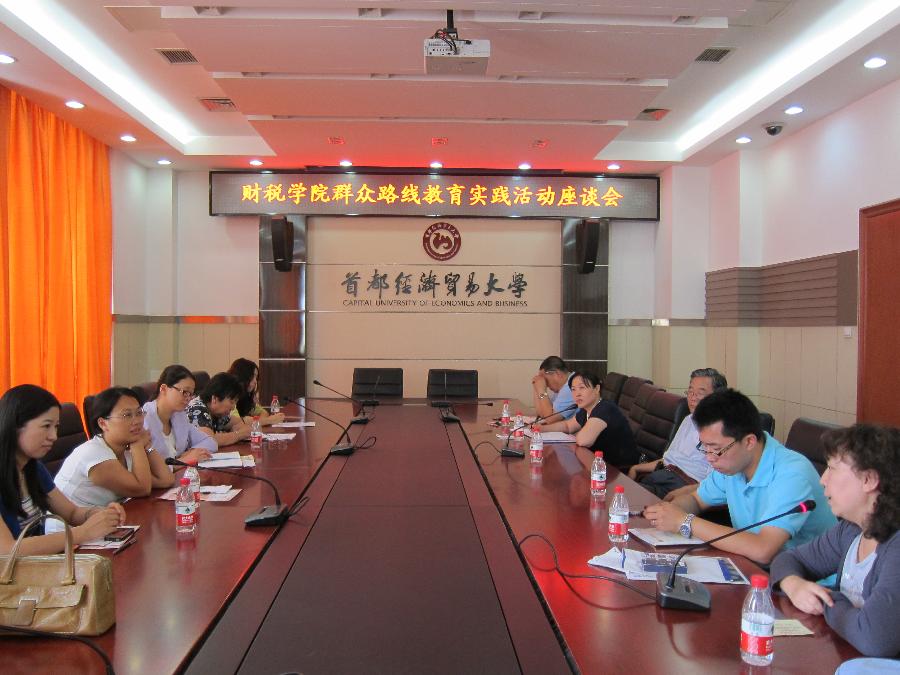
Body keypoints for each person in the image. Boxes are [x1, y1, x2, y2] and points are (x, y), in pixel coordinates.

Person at [643, 389, 836, 565]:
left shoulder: (792, 474)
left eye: (716, 449)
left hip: (807, 582)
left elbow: (764, 549)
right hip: (752, 566)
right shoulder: (733, 464)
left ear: (749, 441)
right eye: (705, 447)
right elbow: (696, 499)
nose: (709, 458)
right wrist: (672, 512)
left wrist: (684, 521)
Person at [771, 424, 900, 658]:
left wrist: (826, 599)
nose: (823, 480)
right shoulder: (851, 530)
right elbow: (788, 559)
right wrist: (793, 584)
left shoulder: (896, 547)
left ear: (869, 479)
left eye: (831, 468)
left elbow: (874, 639)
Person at [0, 384, 124, 555]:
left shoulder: (32, 468)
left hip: (36, 565)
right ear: (15, 425)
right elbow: (6, 550)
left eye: (56, 427)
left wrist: (96, 514)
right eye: (46, 426)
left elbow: (71, 513)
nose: (53, 436)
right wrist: (82, 533)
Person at [53, 387, 174, 512]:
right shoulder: (93, 453)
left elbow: (166, 480)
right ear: (103, 423)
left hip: (105, 518)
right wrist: (138, 445)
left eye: (139, 413)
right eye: (127, 415)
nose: (137, 421)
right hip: (70, 523)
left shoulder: (125, 450)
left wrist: (147, 446)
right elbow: (142, 489)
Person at [627, 368, 728, 496]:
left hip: (685, 486)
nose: (692, 397)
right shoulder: (689, 419)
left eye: (699, 393)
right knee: (619, 494)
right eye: (690, 391)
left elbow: (716, 485)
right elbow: (668, 459)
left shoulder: (724, 431)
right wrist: (636, 468)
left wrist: (683, 497)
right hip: (663, 475)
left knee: (627, 498)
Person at [537, 370, 640, 468]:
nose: (577, 394)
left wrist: (577, 434)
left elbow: (583, 441)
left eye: (582, 388)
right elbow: (567, 426)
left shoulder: (605, 409)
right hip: (599, 464)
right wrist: (540, 429)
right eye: (573, 389)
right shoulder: (587, 409)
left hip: (619, 470)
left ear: (597, 389)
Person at [142, 364, 217, 464]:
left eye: (191, 394)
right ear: (163, 389)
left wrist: (192, 452)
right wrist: (182, 461)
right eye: (185, 392)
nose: (188, 398)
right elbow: (147, 467)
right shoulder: (144, 420)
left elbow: (210, 442)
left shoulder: (179, 416)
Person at [186, 372, 250, 447]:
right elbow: (208, 440)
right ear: (215, 399)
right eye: (232, 402)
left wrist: (232, 433)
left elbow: (238, 423)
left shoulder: (218, 412)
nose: (233, 408)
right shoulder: (197, 409)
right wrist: (238, 435)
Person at [227, 358, 285, 427]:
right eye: (252, 377)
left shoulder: (245, 396)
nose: (255, 381)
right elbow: (238, 422)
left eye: (256, 378)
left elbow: (263, 412)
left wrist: (258, 421)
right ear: (241, 376)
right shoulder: (228, 393)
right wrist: (269, 420)